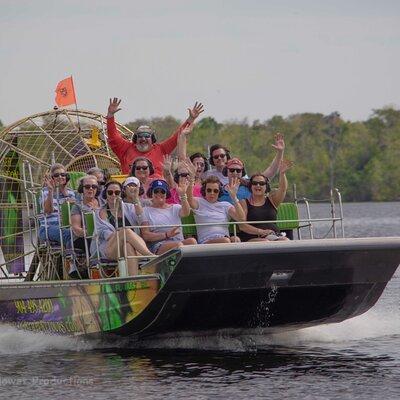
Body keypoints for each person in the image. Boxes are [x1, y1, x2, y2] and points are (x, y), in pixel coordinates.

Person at [106, 98, 204, 175]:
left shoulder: (161, 149)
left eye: (146, 136)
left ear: (152, 139)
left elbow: (177, 137)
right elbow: (113, 136)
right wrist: (110, 115)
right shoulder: (125, 149)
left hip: (156, 193)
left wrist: (190, 119)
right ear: (135, 139)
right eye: (139, 136)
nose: (143, 139)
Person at [93, 180, 153, 276]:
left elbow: (142, 220)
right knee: (126, 231)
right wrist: (123, 234)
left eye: (117, 192)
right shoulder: (100, 212)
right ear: (105, 194)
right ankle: (151, 256)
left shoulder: (129, 207)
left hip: (134, 247)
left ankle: (132, 281)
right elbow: (105, 235)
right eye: (110, 192)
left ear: (121, 194)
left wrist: (136, 199)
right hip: (110, 248)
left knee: (128, 245)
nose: (113, 195)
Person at [239, 160, 293, 242]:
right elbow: (242, 226)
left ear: (266, 187)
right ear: (250, 186)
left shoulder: (272, 200)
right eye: (254, 183)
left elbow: (282, 189)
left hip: (274, 236)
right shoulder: (244, 203)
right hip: (252, 237)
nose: (258, 185)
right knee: (265, 242)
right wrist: (261, 232)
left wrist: (282, 173)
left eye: (261, 183)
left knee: (285, 240)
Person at [140, 179, 197, 254]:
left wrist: (183, 195)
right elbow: (146, 235)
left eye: (162, 191)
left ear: (166, 194)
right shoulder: (145, 210)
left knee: (192, 241)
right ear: (151, 193)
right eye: (156, 191)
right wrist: (166, 235)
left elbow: (186, 213)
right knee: (178, 246)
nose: (159, 194)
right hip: (159, 245)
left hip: (178, 241)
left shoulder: (175, 207)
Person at [205, 133, 286, 185]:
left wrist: (280, 152)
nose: (219, 158)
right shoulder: (207, 175)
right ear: (212, 160)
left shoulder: (242, 179)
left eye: (222, 155)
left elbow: (269, 173)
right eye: (216, 157)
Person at [187, 175, 245, 244]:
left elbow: (241, 219)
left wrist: (234, 197)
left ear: (219, 192)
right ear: (204, 191)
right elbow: (189, 199)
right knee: (225, 241)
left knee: (236, 239)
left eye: (215, 191)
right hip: (206, 242)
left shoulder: (225, 205)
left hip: (225, 239)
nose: (212, 193)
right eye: (209, 190)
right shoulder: (199, 202)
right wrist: (191, 180)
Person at [69, 175, 101, 279]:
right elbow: (76, 229)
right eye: (87, 187)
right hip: (83, 237)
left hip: (103, 235)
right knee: (92, 242)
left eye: (93, 186)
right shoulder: (77, 206)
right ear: (82, 189)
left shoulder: (103, 204)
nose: (90, 189)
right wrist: (92, 234)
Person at [38, 163, 75, 246]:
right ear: (52, 178)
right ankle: (69, 256)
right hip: (48, 227)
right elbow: (48, 211)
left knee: (79, 233)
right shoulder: (45, 191)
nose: (60, 177)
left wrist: (65, 193)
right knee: (70, 234)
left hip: (67, 225)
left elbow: (74, 211)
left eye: (63, 174)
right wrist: (51, 191)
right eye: (56, 175)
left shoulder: (70, 192)